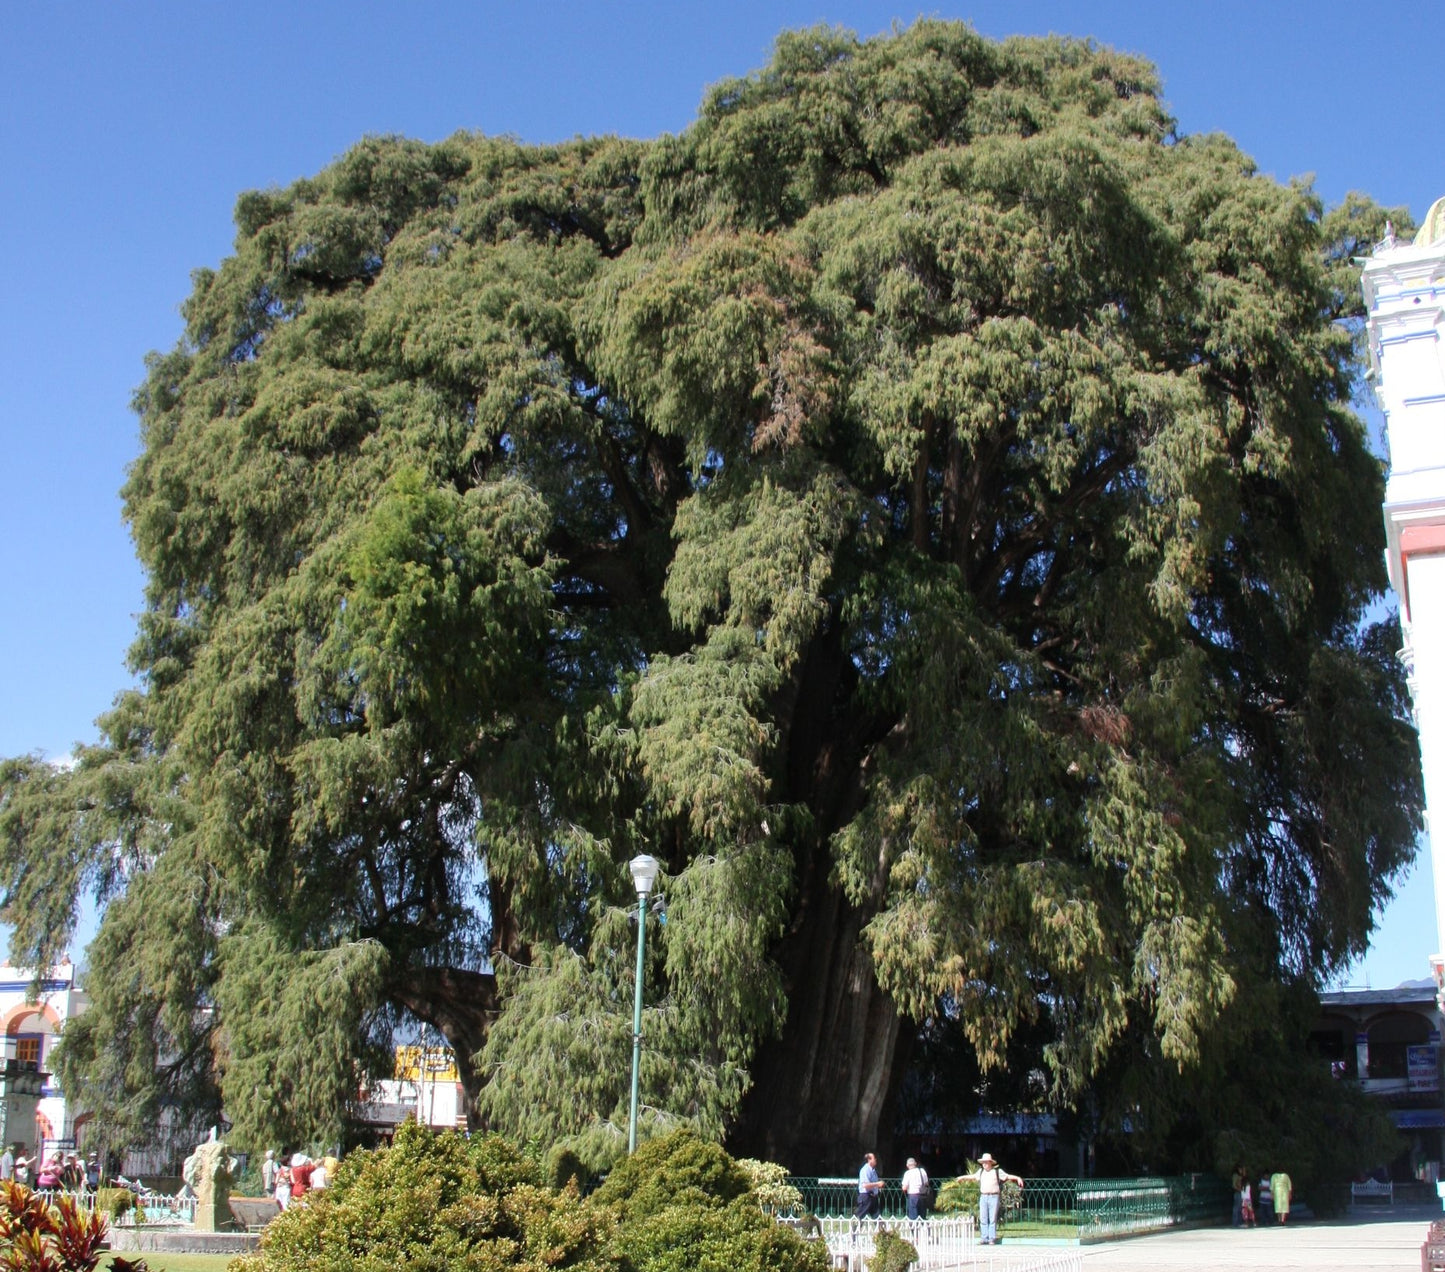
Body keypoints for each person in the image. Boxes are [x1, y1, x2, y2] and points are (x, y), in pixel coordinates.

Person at [963, 1151, 1022, 1246]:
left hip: (994, 1197)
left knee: (992, 1218)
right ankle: (984, 1238)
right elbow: (973, 1177)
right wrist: (962, 1178)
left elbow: (1007, 1176)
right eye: (983, 1162)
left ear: (990, 1162)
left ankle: (991, 1238)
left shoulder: (997, 1172)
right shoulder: (981, 1172)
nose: (984, 1164)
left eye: (986, 1162)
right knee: (983, 1218)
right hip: (983, 1197)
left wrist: (1018, 1178)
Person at [855, 1152, 883, 1220]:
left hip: (873, 1197)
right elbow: (865, 1185)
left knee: (877, 1217)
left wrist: (878, 1188)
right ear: (869, 1160)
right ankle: (854, 1230)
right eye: (874, 1158)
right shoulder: (865, 1170)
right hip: (866, 1196)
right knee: (860, 1216)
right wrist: (877, 1184)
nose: (876, 1159)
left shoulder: (873, 1171)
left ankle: (882, 1230)